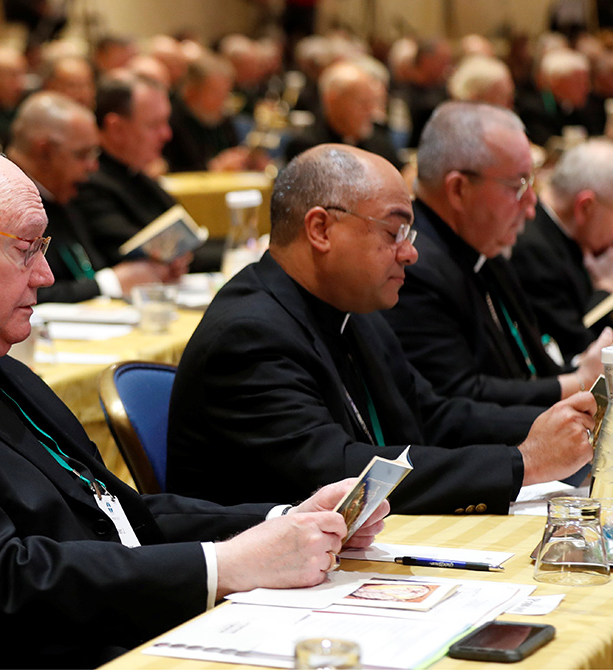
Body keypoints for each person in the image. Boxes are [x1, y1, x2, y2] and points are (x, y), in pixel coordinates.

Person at [0, 138, 388, 668]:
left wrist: (284, 522)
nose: (46, 275)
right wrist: (224, 567)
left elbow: (115, 514)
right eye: (24, 248)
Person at [168, 143, 596, 513]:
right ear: (320, 229)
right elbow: (338, 474)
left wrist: (560, 422)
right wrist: (522, 463)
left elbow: (433, 417)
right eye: (394, 231)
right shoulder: (248, 336)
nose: (411, 253)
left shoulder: (350, 308)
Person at [386, 101, 611, 407]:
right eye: (518, 185)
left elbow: (534, 365)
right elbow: (457, 401)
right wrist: (579, 382)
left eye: (531, 182)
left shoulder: (484, 246)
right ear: (459, 190)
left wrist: (580, 370)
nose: (532, 205)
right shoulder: (413, 267)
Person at [7, 92, 183, 303]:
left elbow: (89, 267)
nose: (93, 167)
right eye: (82, 155)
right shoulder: (2, 205)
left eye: (94, 154)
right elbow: (22, 295)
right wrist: (109, 284)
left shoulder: (64, 192)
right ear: (44, 151)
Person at [72, 73, 213, 271]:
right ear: (116, 128)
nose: (167, 134)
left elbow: (191, 241)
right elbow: (154, 254)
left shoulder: (136, 173)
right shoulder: (89, 182)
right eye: (154, 125)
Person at [510, 139, 613, 360]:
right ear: (585, 206)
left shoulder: (560, 233)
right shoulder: (533, 252)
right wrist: (605, 289)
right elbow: (580, 350)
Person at [284, 60, 401, 169]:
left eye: (372, 102)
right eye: (362, 103)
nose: (370, 111)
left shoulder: (378, 138)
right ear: (332, 100)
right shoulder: (307, 147)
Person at [517, 47, 603, 147]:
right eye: (579, 82)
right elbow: (548, 145)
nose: (586, 88)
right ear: (557, 83)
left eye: (586, 81)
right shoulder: (534, 110)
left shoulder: (589, 107)